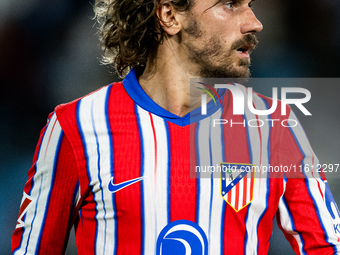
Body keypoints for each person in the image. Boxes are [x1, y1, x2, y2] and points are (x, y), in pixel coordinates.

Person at [11, 0, 340, 254]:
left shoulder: (273, 126)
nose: (254, 22)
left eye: (250, 5)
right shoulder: (76, 126)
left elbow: (327, 245)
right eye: (230, 4)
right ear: (169, 15)